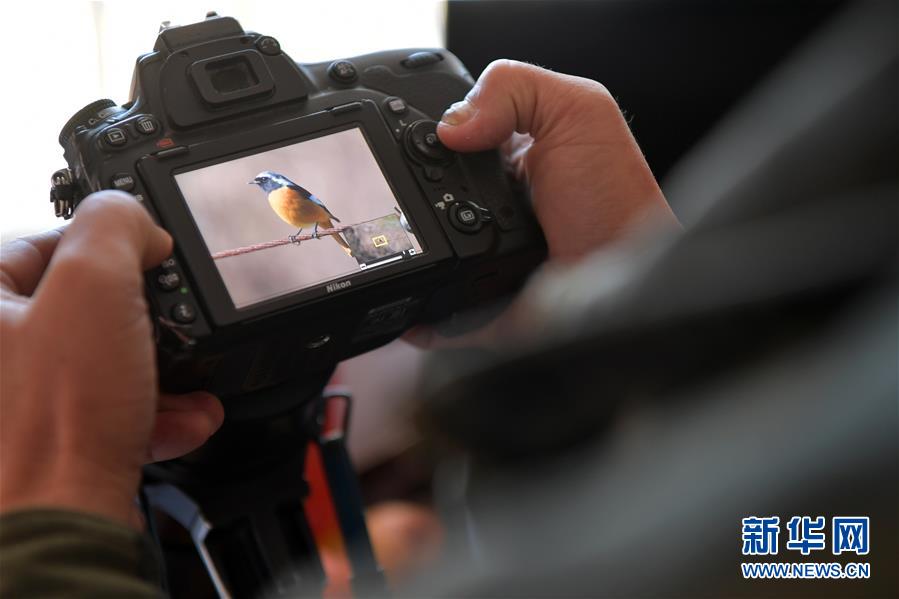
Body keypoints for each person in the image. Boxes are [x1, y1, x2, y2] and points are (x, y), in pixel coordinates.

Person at [0, 60, 677, 596]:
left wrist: (58, 492)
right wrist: (640, 288)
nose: (267, 189)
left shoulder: (293, 194)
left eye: (266, 182)